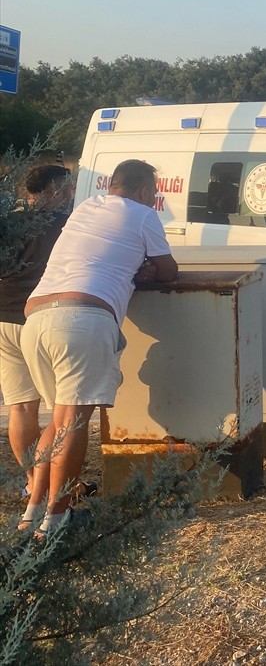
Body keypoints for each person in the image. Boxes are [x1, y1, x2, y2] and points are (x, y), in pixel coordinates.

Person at [22, 159, 178, 538]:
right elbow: (170, 270)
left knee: (57, 421)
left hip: (37, 316)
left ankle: (32, 513)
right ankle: (58, 521)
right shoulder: (143, 214)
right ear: (143, 191)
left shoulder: (85, 209)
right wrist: (148, 270)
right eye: (154, 193)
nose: (154, 200)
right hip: (82, 319)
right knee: (75, 423)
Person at [0, 164, 72, 531]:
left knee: (20, 408)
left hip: (2, 317)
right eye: (67, 186)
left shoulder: (9, 221)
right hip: (38, 317)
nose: (71, 193)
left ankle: (31, 480)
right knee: (62, 412)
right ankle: (45, 493)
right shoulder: (63, 222)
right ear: (52, 190)